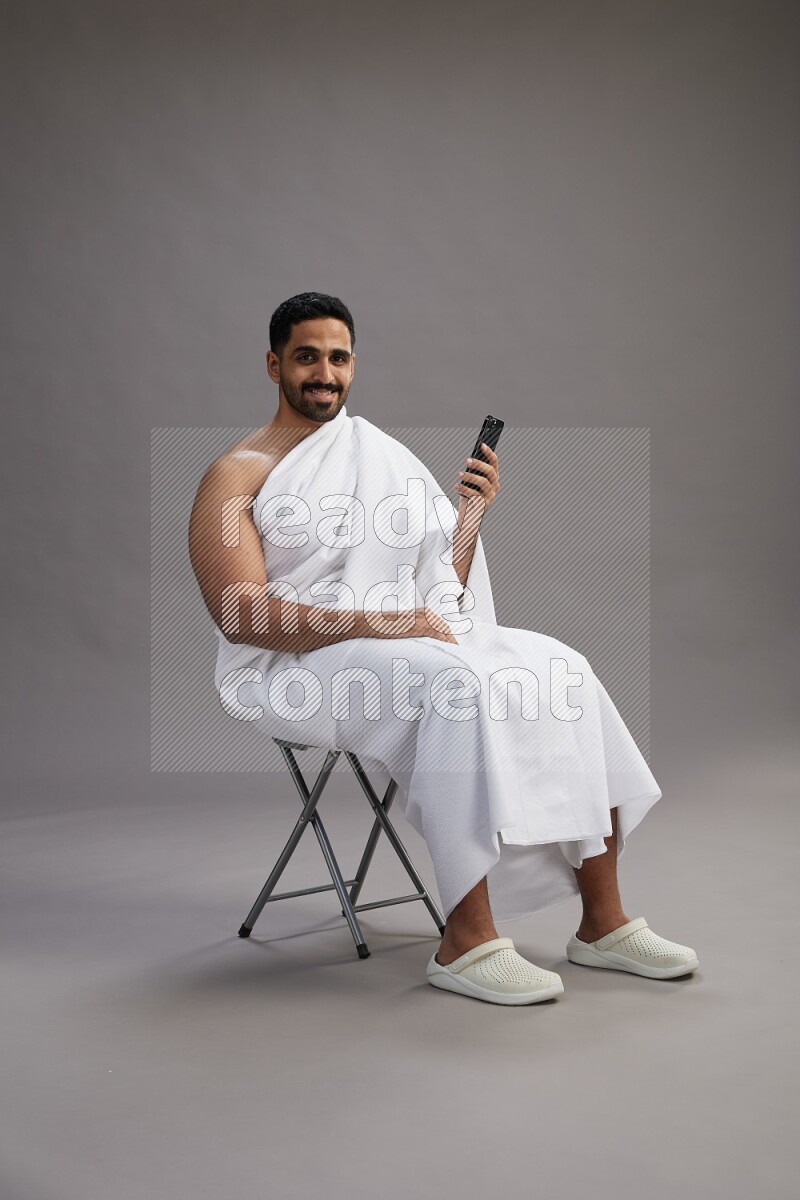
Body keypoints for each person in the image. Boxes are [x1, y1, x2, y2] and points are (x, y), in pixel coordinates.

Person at [188, 291, 699, 1006]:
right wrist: (381, 625)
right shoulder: (234, 475)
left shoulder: (377, 457)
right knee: (450, 684)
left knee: (565, 671)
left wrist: (469, 520)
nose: (324, 373)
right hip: (296, 667)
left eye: (338, 357)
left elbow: (437, 592)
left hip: (395, 640)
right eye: (306, 357)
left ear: (354, 365)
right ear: (274, 364)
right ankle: (466, 939)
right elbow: (242, 615)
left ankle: (602, 923)